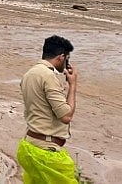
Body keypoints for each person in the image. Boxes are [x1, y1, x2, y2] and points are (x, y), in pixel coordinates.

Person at [17, 35, 78, 183]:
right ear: (61, 57)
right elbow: (66, 116)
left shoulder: (29, 74)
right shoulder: (49, 76)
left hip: (29, 145)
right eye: (67, 58)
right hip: (46, 152)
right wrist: (73, 84)